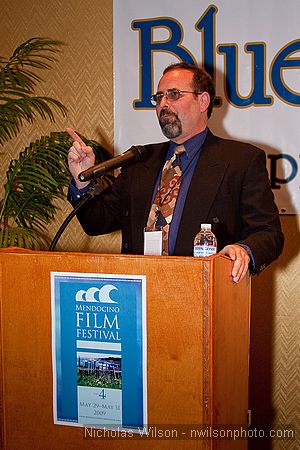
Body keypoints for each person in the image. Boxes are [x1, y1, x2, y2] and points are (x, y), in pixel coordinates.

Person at [67, 62, 284, 283]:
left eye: (173, 95)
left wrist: (244, 250)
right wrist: (82, 181)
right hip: (137, 294)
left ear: (203, 101)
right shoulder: (140, 161)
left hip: (202, 292)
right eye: (159, 97)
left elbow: (269, 234)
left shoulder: (240, 161)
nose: (163, 104)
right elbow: (97, 222)